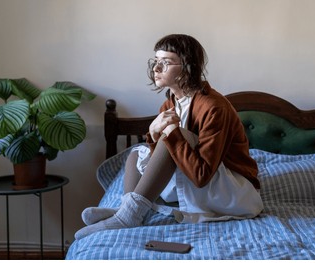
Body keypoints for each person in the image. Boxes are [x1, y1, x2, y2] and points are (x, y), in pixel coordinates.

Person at [75, 34, 263, 240]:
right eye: (155, 62)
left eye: (165, 63)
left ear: (188, 67)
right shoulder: (171, 103)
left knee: (175, 134)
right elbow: (165, 160)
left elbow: (201, 175)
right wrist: (153, 135)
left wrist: (170, 132)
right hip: (199, 178)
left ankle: (128, 216)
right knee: (137, 154)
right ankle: (127, 211)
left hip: (231, 189)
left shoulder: (214, 106)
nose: (156, 68)